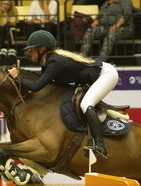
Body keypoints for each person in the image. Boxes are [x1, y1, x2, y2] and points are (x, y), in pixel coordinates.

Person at [8, 30, 119, 159]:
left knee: (86, 104)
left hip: (106, 74)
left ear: (41, 49)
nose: (29, 53)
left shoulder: (54, 62)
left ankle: (100, 146)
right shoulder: (48, 63)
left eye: (32, 49)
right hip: (96, 76)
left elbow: (36, 87)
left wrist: (17, 77)